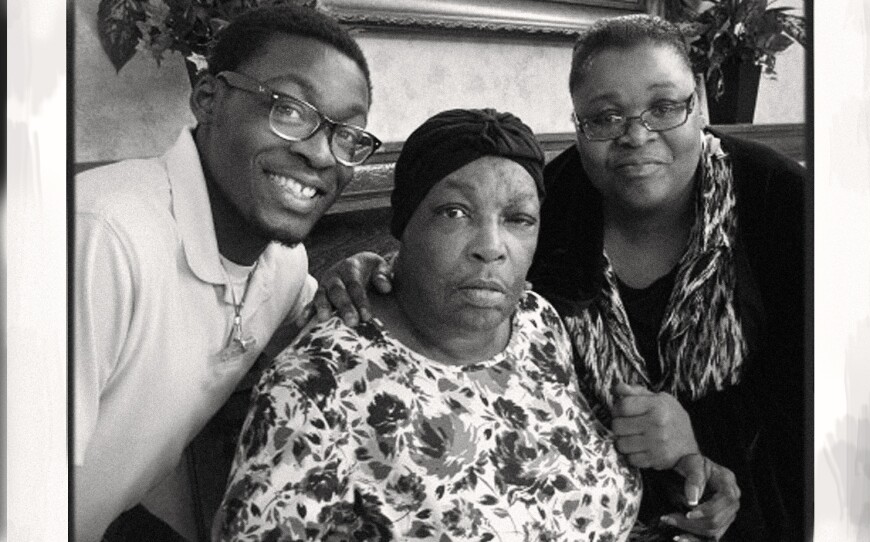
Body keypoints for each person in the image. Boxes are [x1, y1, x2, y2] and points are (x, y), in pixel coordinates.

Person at [316, 14, 806, 541]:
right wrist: (375, 269)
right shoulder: (550, 207)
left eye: (663, 107)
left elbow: (819, 382)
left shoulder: (775, 198)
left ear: (700, 107)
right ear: (578, 125)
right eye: (605, 116)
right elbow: (475, 261)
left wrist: (701, 432)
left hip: (763, 506)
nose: (636, 135)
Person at [214, 108, 741, 542]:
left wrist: (684, 475)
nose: (492, 247)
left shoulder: (537, 324)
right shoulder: (317, 388)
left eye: (518, 219)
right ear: (405, 228)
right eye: (454, 213)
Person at [73, 5, 381, 541]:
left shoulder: (284, 266)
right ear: (209, 99)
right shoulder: (101, 238)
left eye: (348, 135)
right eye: (288, 110)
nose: (319, 154)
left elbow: (317, 328)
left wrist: (359, 275)